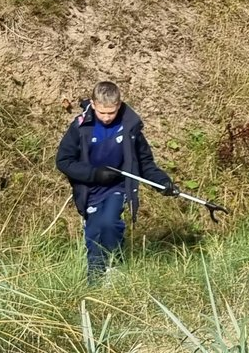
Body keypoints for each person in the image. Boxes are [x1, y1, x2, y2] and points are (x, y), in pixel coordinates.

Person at [56, 80, 176, 283]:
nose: (106, 118)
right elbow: (64, 161)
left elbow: (145, 162)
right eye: (102, 113)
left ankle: (115, 267)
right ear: (93, 104)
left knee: (109, 223)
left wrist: (162, 182)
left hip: (117, 186)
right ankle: (95, 281)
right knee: (94, 232)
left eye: (111, 113)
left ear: (119, 105)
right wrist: (94, 174)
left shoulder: (130, 127)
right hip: (89, 189)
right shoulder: (80, 127)